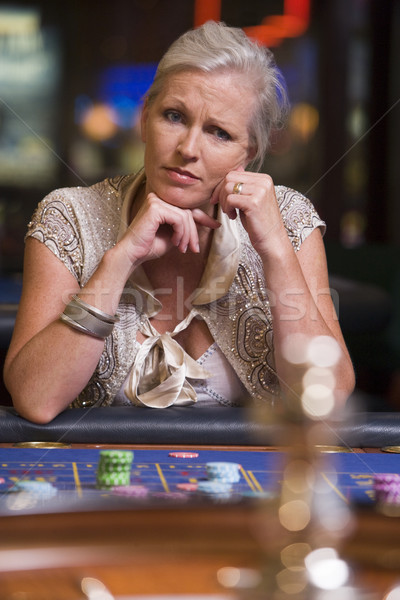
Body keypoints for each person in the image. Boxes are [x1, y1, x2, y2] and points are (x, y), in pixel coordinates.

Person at [4, 21, 355, 424]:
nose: (188, 148)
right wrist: (119, 261)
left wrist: (276, 251)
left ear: (249, 153)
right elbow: (35, 399)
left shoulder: (290, 220)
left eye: (219, 133)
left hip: (250, 481)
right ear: (144, 117)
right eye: (174, 116)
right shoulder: (68, 216)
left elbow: (325, 400)